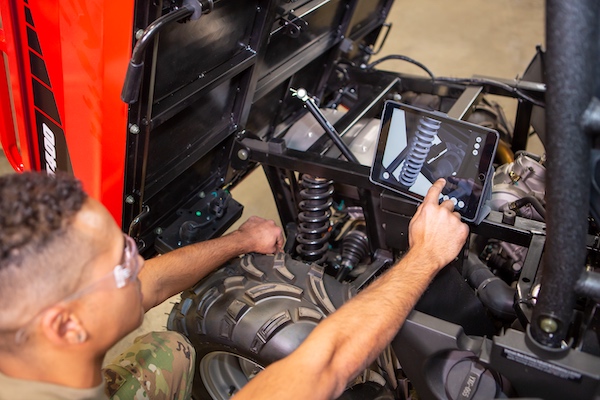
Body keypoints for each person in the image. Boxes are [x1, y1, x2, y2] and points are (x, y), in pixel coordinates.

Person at [0, 172, 468, 399]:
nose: (138, 258)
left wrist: (239, 241)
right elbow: (320, 369)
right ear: (67, 326)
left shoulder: (28, 323)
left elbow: (149, 283)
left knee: (167, 347)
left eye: (124, 243)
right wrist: (424, 256)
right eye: (121, 263)